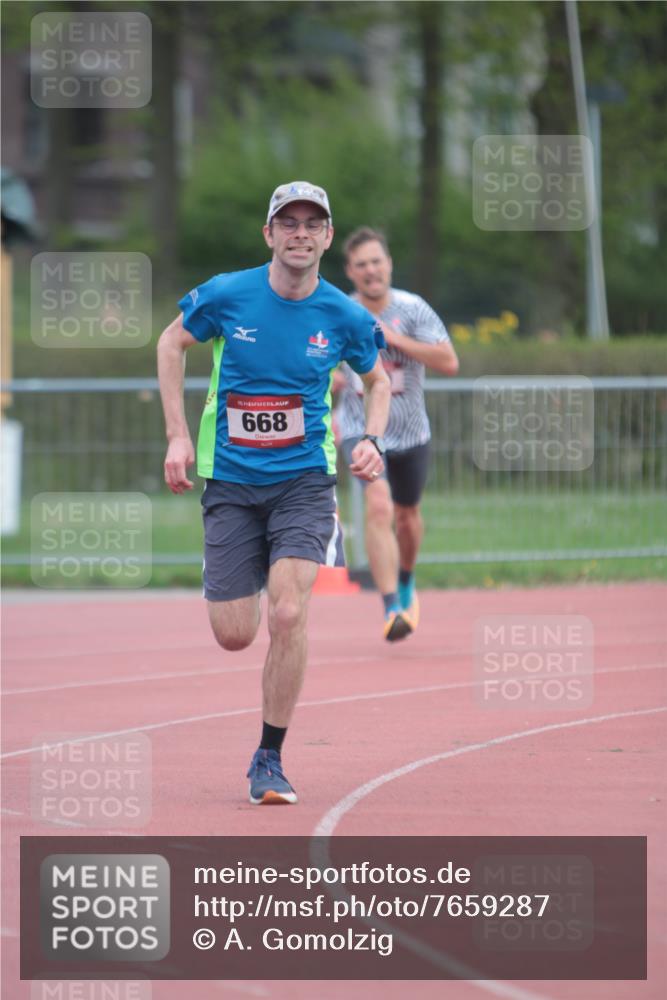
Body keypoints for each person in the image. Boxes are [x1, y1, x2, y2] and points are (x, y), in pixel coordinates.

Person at [157, 184, 390, 805]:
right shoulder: (229, 294)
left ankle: (269, 756)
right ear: (269, 234)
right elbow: (170, 342)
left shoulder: (342, 314)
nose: (300, 233)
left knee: (287, 613)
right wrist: (178, 437)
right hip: (231, 482)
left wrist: (372, 438)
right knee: (235, 633)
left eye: (313, 224)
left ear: (327, 238)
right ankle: (242, 560)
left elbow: (379, 380)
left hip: (304, 482)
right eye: (287, 223)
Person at [335, 227, 459, 642]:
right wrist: (333, 379)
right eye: (361, 265)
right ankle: (391, 607)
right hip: (362, 428)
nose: (370, 270)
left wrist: (394, 339)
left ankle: (405, 579)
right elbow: (318, 359)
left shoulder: (413, 308)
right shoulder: (341, 312)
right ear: (350, 272)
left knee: (407, 518)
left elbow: (448, 360)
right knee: (378, 506)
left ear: (388, 264)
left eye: (376, 261)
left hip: (410, 431)